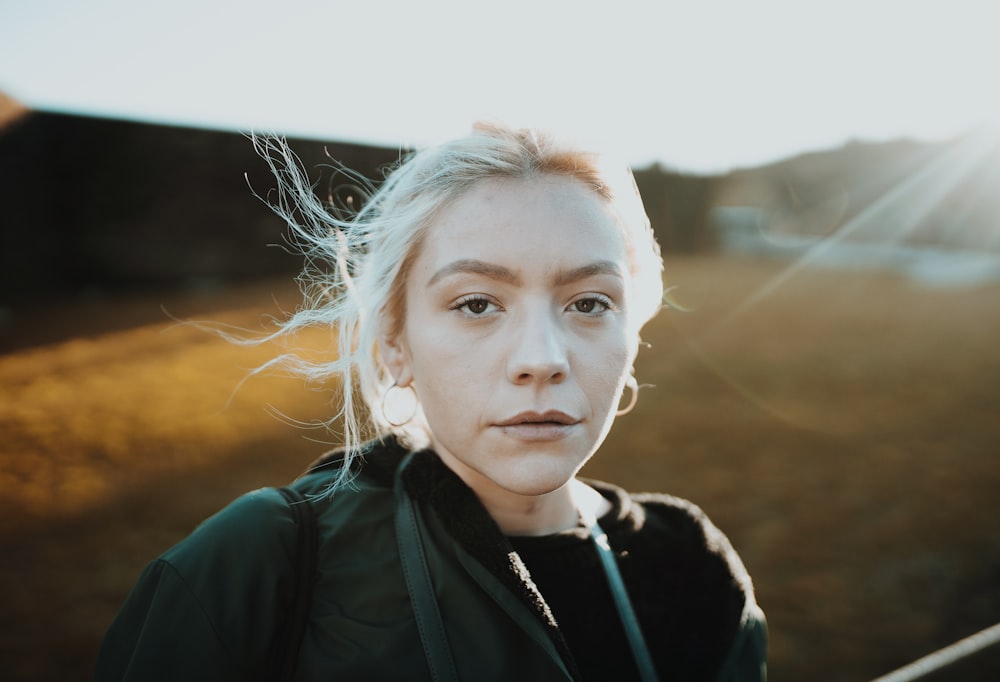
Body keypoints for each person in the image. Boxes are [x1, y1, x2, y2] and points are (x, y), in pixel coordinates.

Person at [95, 123, 767, 681]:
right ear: (393, 344)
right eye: (476, 303)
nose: (543, 358)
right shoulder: (257, 566)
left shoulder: (692, 567)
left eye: (589, 303)